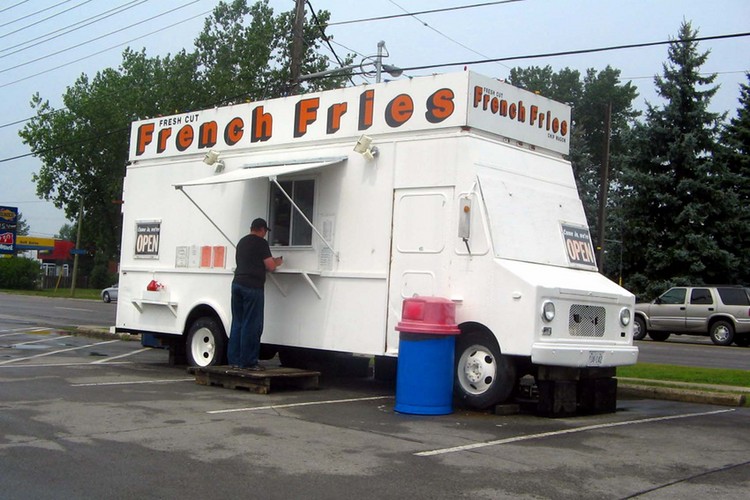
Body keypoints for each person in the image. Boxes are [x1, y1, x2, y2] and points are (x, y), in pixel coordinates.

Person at [227, 218, 282, 370]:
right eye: (265, 231)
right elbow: (270, 266)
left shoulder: (241, 242)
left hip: (237, 283)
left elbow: (248, 261)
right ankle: (249, 362)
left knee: (238, 322)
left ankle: (234, 360)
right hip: (252, 286)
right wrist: (277, 262)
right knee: (252, 324)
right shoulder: (261, 243)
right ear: (262, 229)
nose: (265, 234)